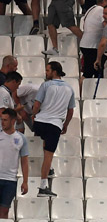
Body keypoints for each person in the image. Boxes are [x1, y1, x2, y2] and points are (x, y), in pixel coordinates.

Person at [30, 61, 75, 198]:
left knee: (45, 143)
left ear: (54, 71)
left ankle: (48, 169)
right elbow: (70, 111)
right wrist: (65, 124)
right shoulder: (69, 88)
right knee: (49, 155)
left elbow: (37, 104)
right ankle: (43, 187)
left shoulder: (46, 85)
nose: (46, 72)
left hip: (40, 122)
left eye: (48, 70)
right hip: (54, 124)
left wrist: (33, 115)